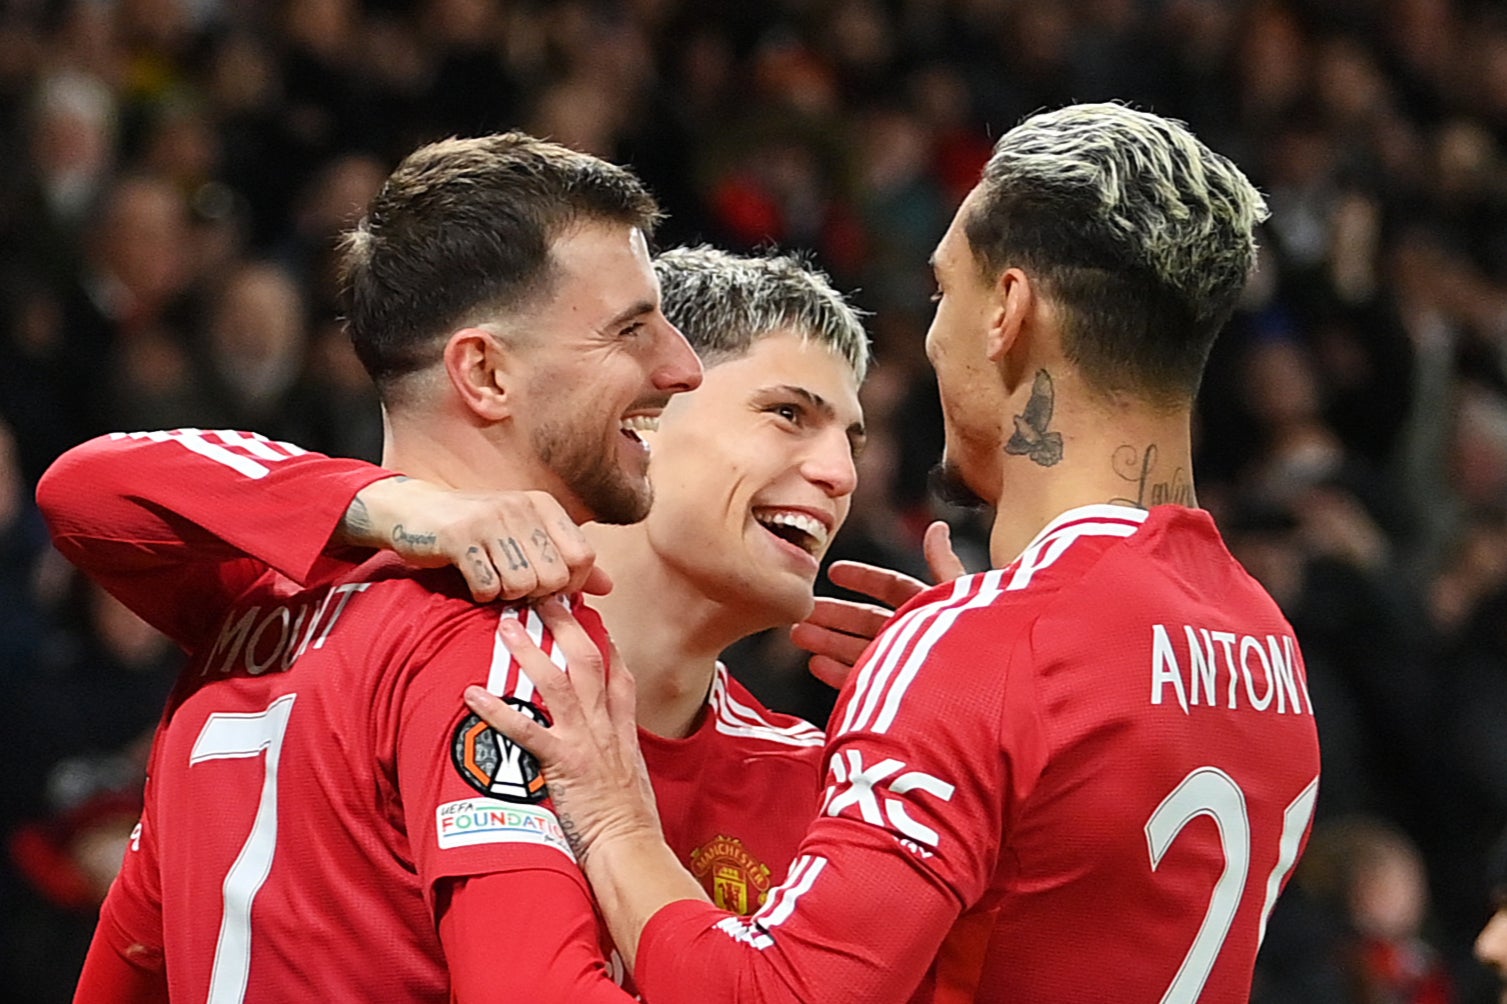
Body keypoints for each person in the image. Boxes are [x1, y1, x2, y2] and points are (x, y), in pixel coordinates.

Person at [466, 102, 1325, 1002]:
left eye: (942, 292)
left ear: (1007, 310)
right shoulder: (1266, 647)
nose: (838, 472)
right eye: (789, 415)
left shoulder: (990, 650)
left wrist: (614, 817)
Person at [42, 132, 704, 1003]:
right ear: (485, 373)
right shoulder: (502, 645)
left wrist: (380, 507)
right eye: (631, 329)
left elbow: (87, 489)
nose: (681, 366)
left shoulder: (253, 617)